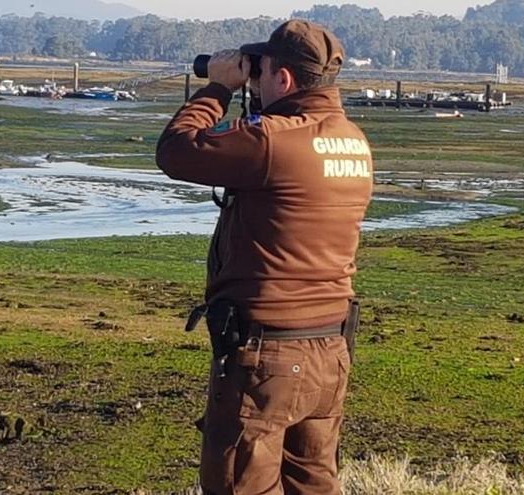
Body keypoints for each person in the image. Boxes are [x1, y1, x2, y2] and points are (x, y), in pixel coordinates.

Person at [155, 20, 373, 495]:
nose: (254, 78)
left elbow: (176, 152)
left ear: (285, 79)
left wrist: (218, 86)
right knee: (313, 483)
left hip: (267, 354)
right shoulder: (353, 140)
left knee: (240, 484)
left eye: (261, 70)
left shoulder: (274, 140)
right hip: (330, 348)